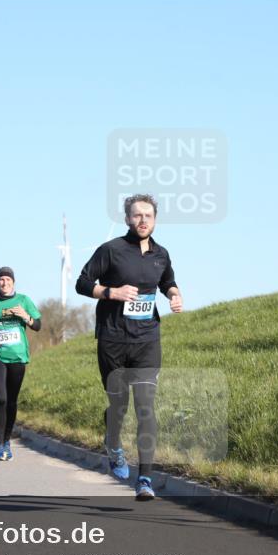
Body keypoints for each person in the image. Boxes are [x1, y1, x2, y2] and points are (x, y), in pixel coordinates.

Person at [76, 194, 182, 501]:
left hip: (147, 339)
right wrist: (111, 292)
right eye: (137, 216)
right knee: (119, 406)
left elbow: (167, 281)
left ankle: (145, 478)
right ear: (127, 219)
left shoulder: (161, 254)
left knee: (145, 406)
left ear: (155, 219)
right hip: (112, 339)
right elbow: (82, 283)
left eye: (148, 215)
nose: (143, 220)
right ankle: (114, 444)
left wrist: (174, 294)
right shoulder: (111, 251)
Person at [0, 267, 41, 461]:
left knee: (12, 400)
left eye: (7, 279)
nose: (4, 283)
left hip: (17, 356)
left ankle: (7, 441)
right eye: (1, 280)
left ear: (13, 281)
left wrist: (25, 316)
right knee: (1, 397)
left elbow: (38, 325)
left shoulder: (24, 300)